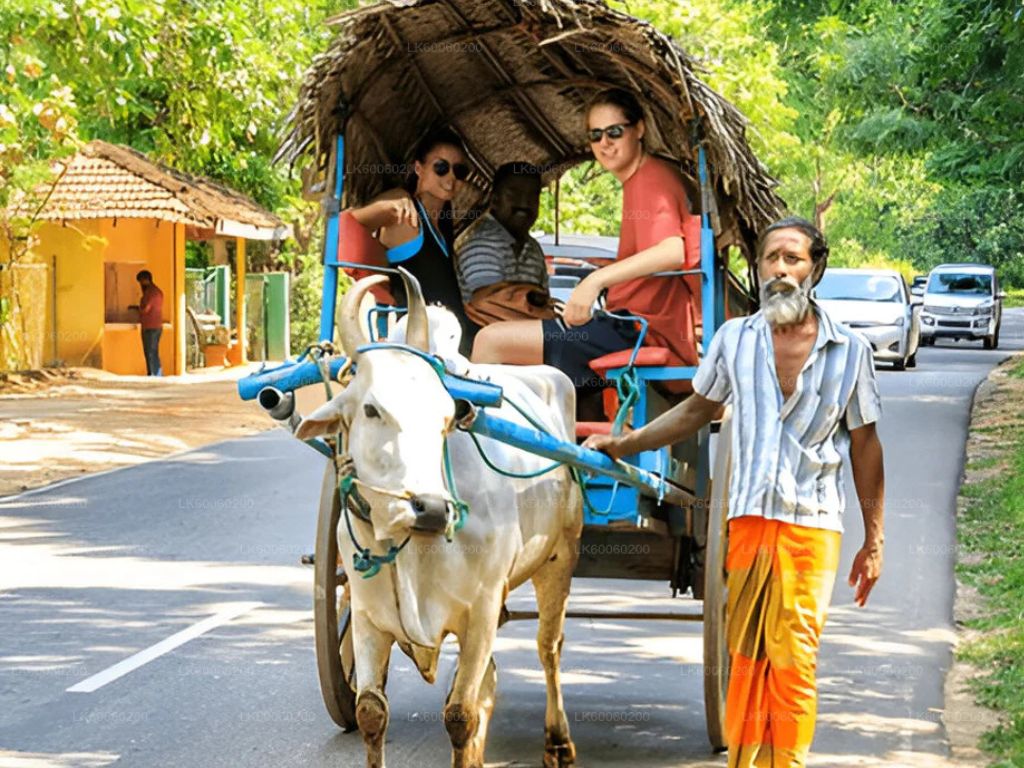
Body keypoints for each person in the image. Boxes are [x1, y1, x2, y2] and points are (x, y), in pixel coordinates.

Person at [584, 217, 885, 768]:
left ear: (814, 267)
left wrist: (875, 538)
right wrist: (625, 445)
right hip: (747, 524)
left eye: (793, 258)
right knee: (747, 660)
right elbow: (698, 409)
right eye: (771, 258)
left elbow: (865, 446)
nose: (780, 269)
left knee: (794, 658)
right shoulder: (733, 340)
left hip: (813, 526)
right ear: (759, 267)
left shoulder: (852, 351)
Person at [471, 88, 702, 401]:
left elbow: (672, 251)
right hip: (626, 327)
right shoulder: (642, 179)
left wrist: (595, 280)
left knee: (491, 341)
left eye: (614, 132)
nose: (604, 144)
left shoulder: (651, 180)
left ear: (639, 130)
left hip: (636, 332)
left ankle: (476, 443)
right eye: (596, 136)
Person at [348, 126, 477, 354]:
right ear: (419, 168)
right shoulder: (405, 214)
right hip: (425, 344)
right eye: (440, 167)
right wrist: (394, 197)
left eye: (459, 171)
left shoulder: (443, 224)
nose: (450, 178)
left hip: (454, 338)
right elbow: (348, 224)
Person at [454, 161, 554, 325]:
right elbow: (489, 308)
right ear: (494, 200)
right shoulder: (482, 243)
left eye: (532, 196)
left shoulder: (533, 248)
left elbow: (542, 302)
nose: (524, 203)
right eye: (514, 194)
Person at [135, 270, 163, 376]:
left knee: (150, 352)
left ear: (146, 280)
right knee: (153, 352)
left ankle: (155, 375)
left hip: (150, 326)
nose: (140, 284)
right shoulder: (158, 291)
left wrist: (138, 309)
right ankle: (154, 374)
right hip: (156, 325)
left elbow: (146, 308)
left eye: (141, 281)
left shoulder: (150, 293)